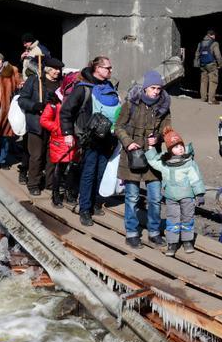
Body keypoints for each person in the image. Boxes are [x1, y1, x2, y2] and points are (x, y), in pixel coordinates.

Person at [59, 56, 120, 227]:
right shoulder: (83, 88)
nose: (110, 70)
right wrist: (68, 133)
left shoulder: (108, 86)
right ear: (97, 69)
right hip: (89, 138)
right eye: (107, 68)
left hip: (108, 138)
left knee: (101, 172)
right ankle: (85, 209)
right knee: (88, 173)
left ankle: (94, 202)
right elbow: (66, 112)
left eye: (110, 67)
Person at [114, 69, 171, 247]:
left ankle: (154, 231)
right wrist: (128, 142)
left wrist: (160, 138)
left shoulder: (163, 107)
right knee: (132, 197)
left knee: (155, 198)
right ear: (145, 88)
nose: (156, 91)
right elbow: (118, 127)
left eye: (159, 88)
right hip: (132, 157)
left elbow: (166, 129)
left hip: (153, 159)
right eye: (153, 88)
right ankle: (131, 233)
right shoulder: (130, 105)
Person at [145, 127, 207, 256]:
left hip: (187, 196)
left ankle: (187, 241)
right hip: (171, 197)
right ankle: (172, 243)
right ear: (169, 150)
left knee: (187, 218)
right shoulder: (165, 164)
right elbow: (152, 161)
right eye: (175, 146)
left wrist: (199, 193)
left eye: (181, 145)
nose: (180, 148)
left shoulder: (189, 163)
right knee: (172, 219)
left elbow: (196, 179)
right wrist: (151, 146)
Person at [17, 57, 64, 196]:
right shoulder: (35, 80)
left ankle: (50, 183)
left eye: (59, 69)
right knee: (36, 155)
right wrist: (35, 105)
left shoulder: (62, 84)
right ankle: (33, 184)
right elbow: (22, 100)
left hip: (55, 124)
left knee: (52, 155)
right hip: (36, 123)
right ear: (48, 69)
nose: (58, 71)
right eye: (55, 69)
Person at [40, 72, 80, 209]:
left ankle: (69, 193)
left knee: (72, 169)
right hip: (59, 140)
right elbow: (44, 120)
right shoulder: (55, 102)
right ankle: (56, 195)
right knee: (59, 170)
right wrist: (58, 128)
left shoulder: (77, 100)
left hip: (73, 139)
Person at [196, 29, 222, 104]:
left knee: (203, 81)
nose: (215, 36)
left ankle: (203, 98)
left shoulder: (200, 43)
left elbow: (197, 54)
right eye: (214, 35)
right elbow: (218, 55)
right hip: (211, 65)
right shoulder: (214, 43)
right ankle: (211, 99)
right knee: (213, 81)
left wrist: (197, 63)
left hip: (202, 65)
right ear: (211, 35)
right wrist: (220, 64)